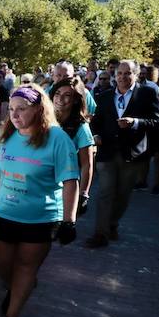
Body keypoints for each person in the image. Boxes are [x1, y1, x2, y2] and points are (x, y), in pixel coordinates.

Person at [0, 87, 79, 317]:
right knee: (1, 264)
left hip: (40, 218)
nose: (15, 115)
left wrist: (69, 220)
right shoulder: (9, 135)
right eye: (11, 109)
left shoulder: (58, 139)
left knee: (25, 267)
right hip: (6, 213)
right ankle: (17, 287)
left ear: (38, 109)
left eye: (21, 109)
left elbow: (70, 181)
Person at [85, 59, 159, 248]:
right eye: (119, 73)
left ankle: (112, 224)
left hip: (132, 153)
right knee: (105, 192)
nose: (122, 77)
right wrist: (95, 135)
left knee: (122, 194)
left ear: (135, 75)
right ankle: (100, 234)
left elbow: (157, 121)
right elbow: (95, 122)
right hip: (107, 152)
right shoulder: (104, 96)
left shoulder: (147, 94)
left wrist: (135, 122)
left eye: (127, 73)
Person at [51, 79, 96, 217]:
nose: (60, 98)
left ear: (76, 100)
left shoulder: (81, 127)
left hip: (64, 186)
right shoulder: (44, 119)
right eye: (57, 93)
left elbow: (87, 164)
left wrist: (83, 194)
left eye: (67, 95)